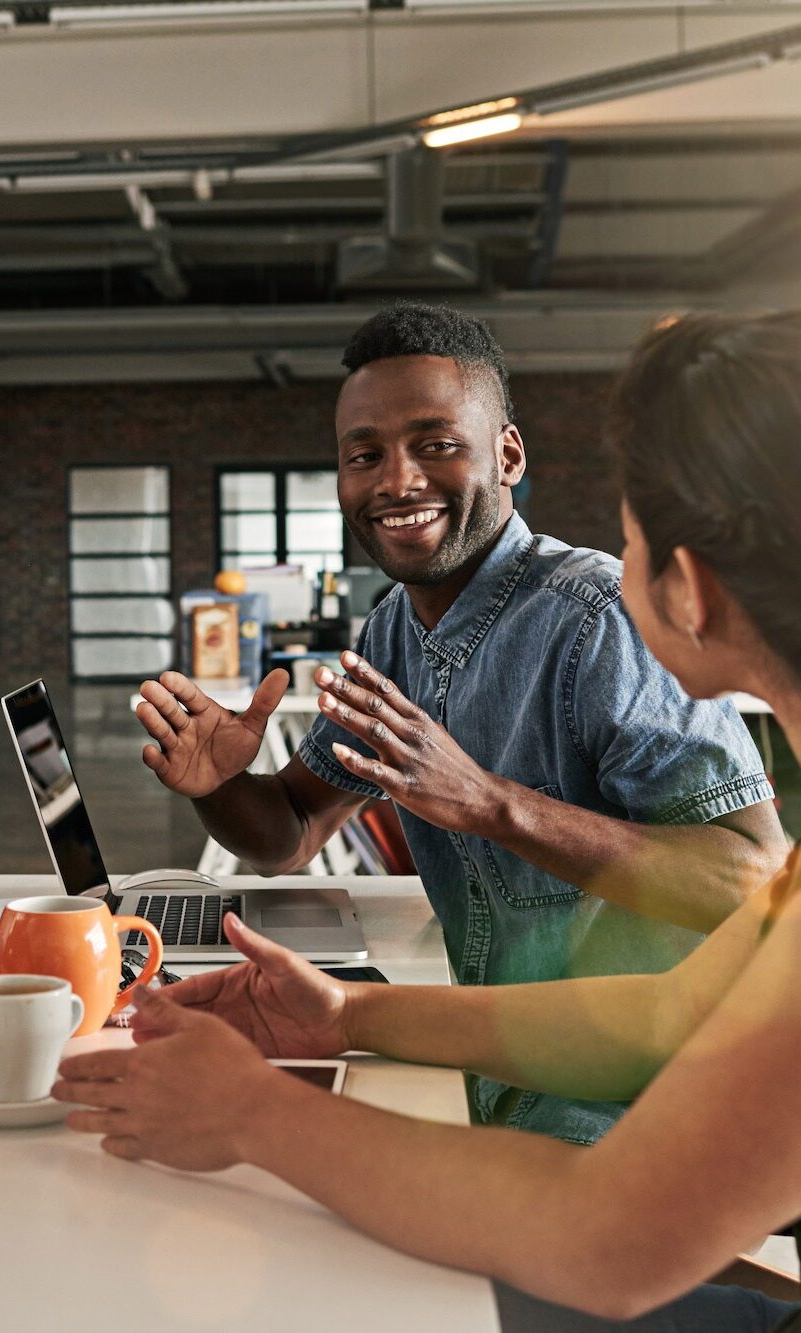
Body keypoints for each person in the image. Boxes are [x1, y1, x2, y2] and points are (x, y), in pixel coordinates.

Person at [54, 310, 801, 1331]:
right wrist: (346, 1013)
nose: (396, 478)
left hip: (613, 1154)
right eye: (365, 454)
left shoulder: (588, 617)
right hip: (526, 1096)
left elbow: (607, 1237)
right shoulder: (393, 629)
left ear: (692, 589)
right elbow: (663, 1013)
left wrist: (251, 1111)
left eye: (626, 541)